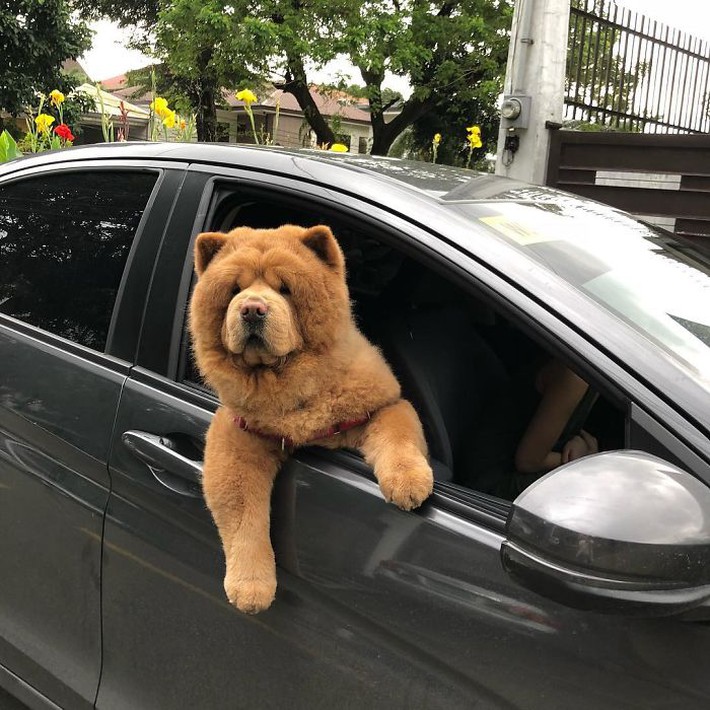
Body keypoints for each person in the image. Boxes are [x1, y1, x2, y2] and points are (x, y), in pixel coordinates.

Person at [467, 356, 598, 498]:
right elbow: (528, 462)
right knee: (586, 485)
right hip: (490, 480)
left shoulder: (595, 370)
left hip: (516, 461)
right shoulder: (576, 376)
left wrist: (580, 447)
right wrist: (581, 459)